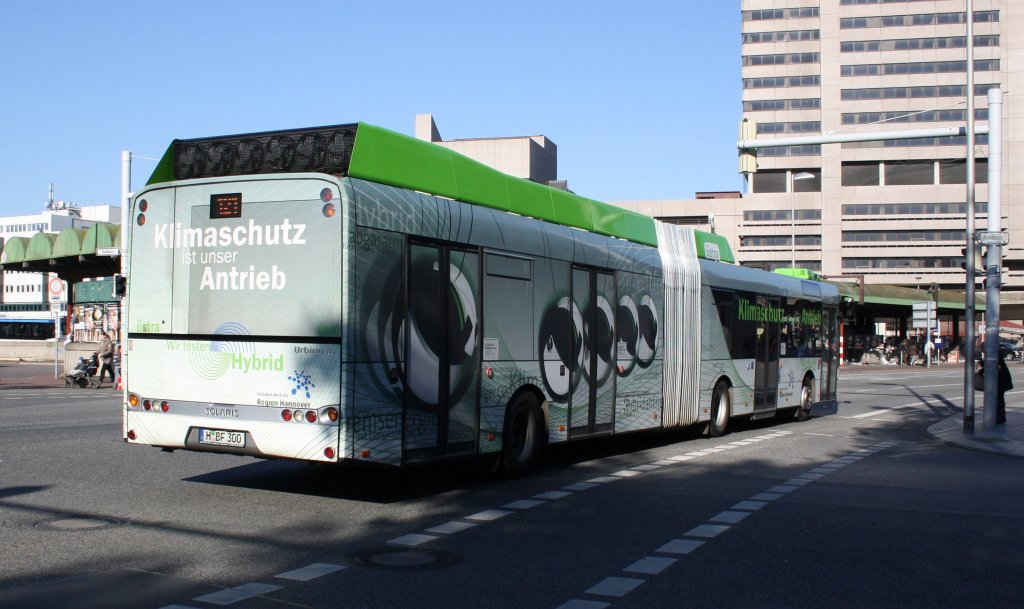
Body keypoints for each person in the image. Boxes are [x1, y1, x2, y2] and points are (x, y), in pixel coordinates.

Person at [997, 350, 1012, 424]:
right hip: (1001, 380)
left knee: (999, 399)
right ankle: (1000, 417)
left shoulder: (996, 354)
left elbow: (998, 367)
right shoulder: (996, 354)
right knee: (999, 399)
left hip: (1001, 381)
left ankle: (1000, 417)